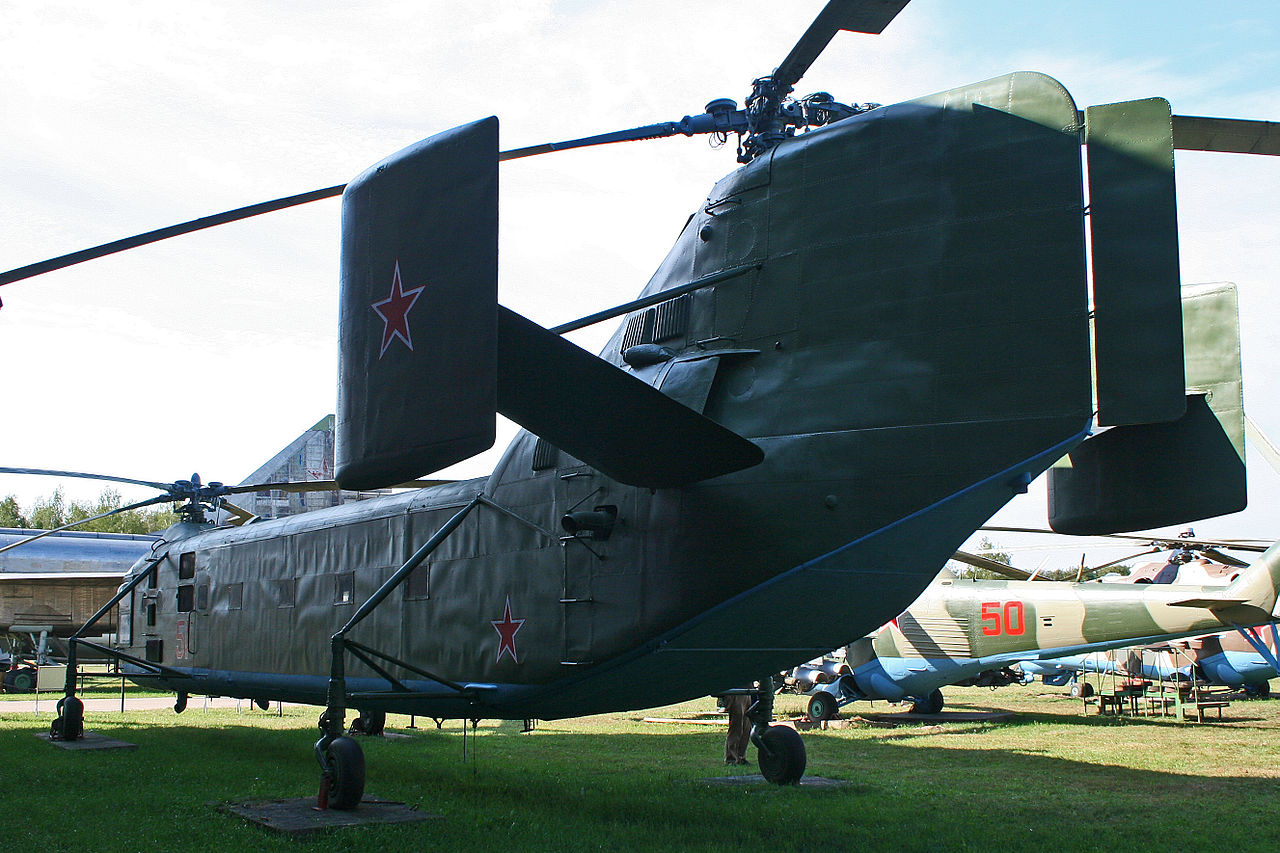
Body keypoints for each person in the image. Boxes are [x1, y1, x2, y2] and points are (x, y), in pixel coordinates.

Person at [723, 692, 751, 765]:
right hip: (736, 692)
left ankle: (741, 757)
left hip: (747, 691)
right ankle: (731, 758)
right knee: (736, 726)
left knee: (747, 726)